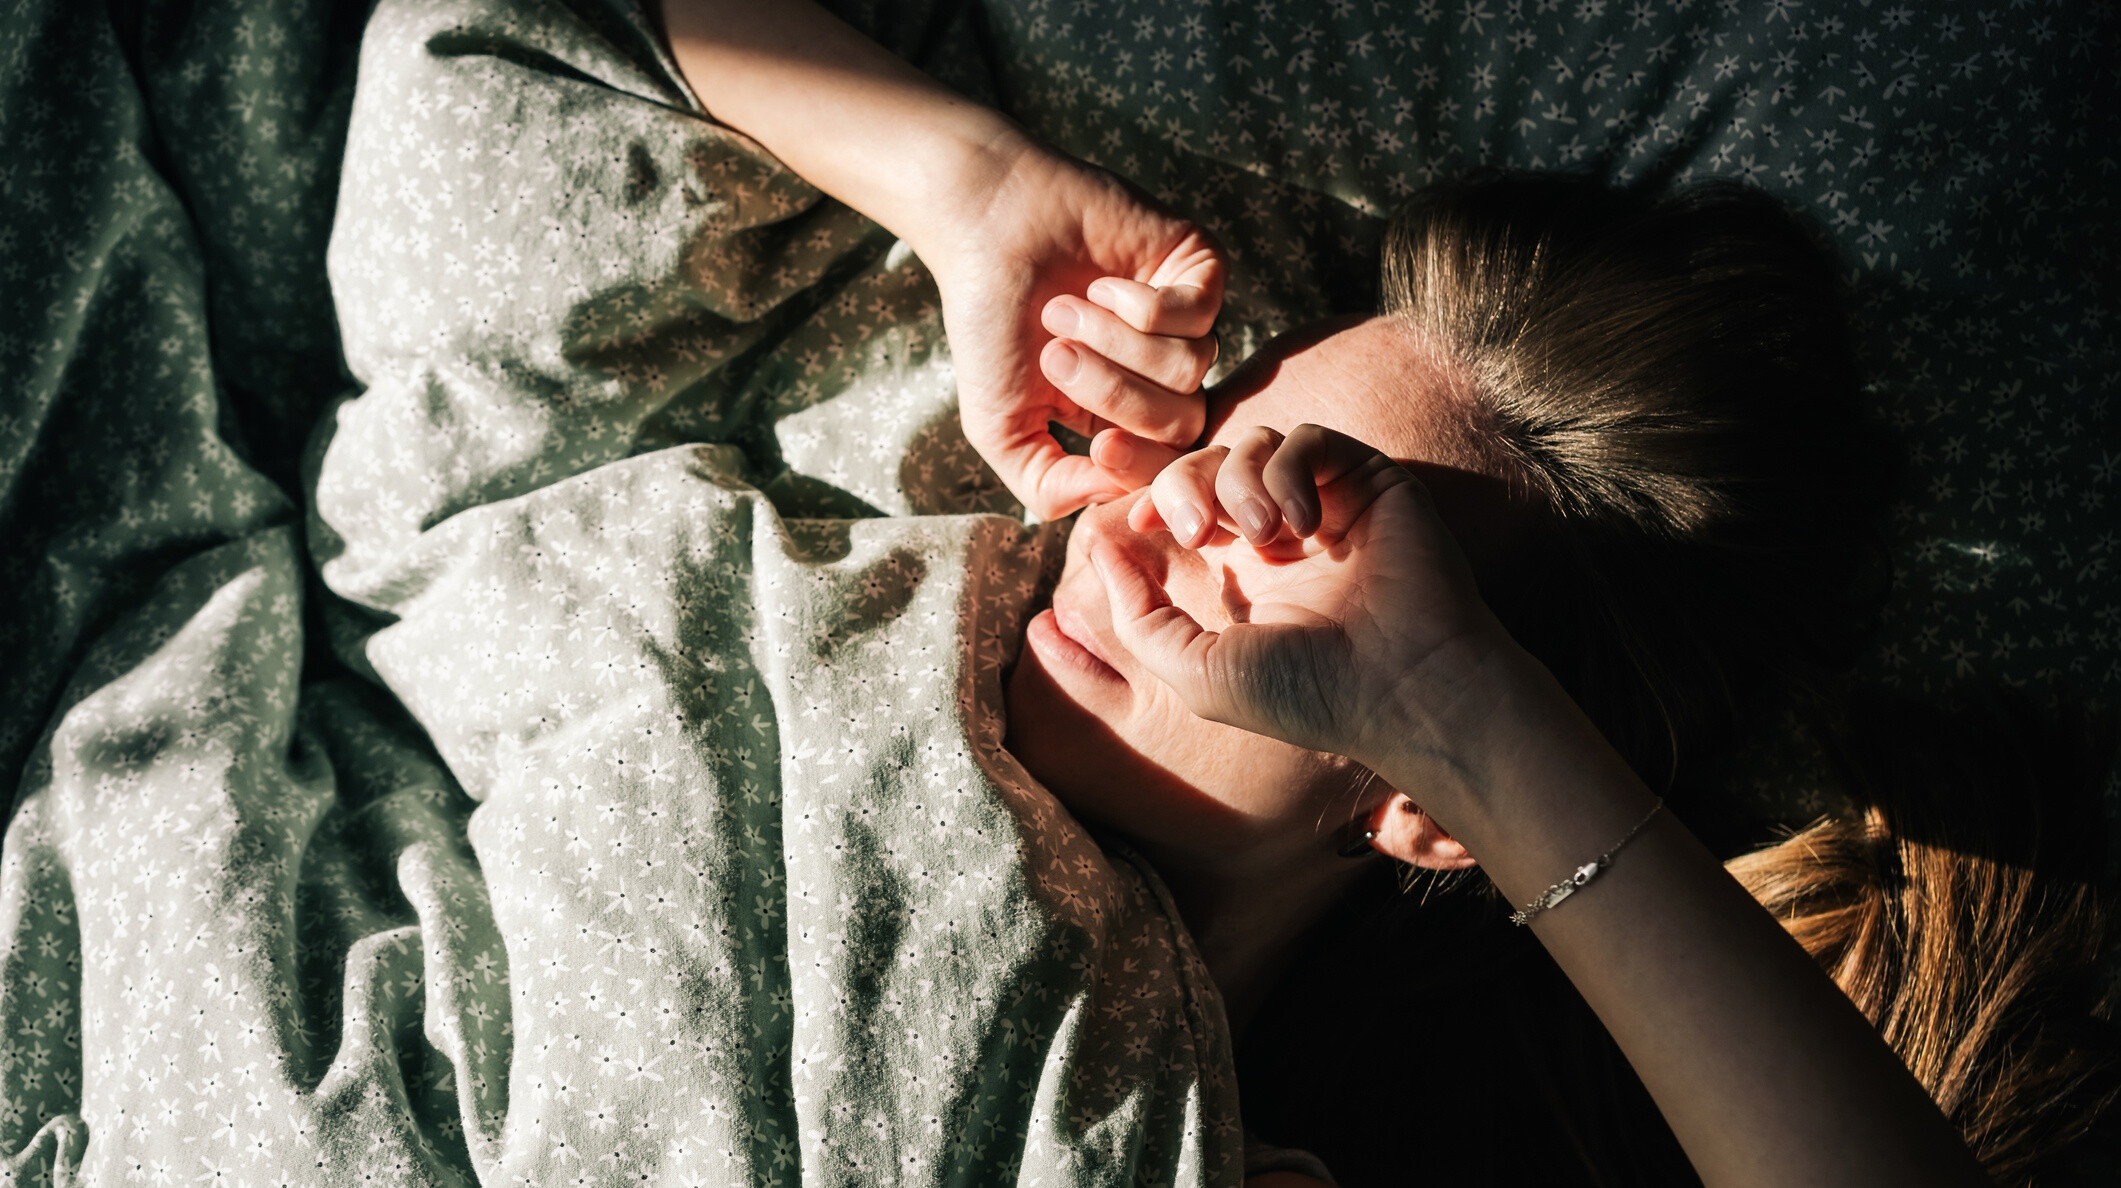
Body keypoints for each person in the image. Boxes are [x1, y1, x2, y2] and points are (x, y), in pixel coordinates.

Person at [657, 3, 2114, 1185]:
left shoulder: (1170, 1135)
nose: (1147, 527)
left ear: (1429, 804)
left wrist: (1464, 718)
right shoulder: (851, 547)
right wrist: (964, 183)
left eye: (1281, 528)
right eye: (1212, 446)